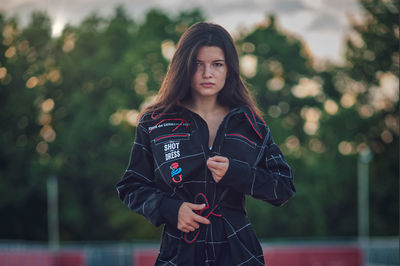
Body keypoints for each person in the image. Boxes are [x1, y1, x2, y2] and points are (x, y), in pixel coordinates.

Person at [116, 22, 295, 265]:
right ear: (183, 67)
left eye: (217, 64)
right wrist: (169, 209)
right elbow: (131, 186)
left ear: (229, 69)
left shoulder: (251, 125)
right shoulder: (154, 122)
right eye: (197, 65)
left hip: (239, 253)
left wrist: (237, 173)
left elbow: (283, 187)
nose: (207, 73)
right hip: (179, 253)